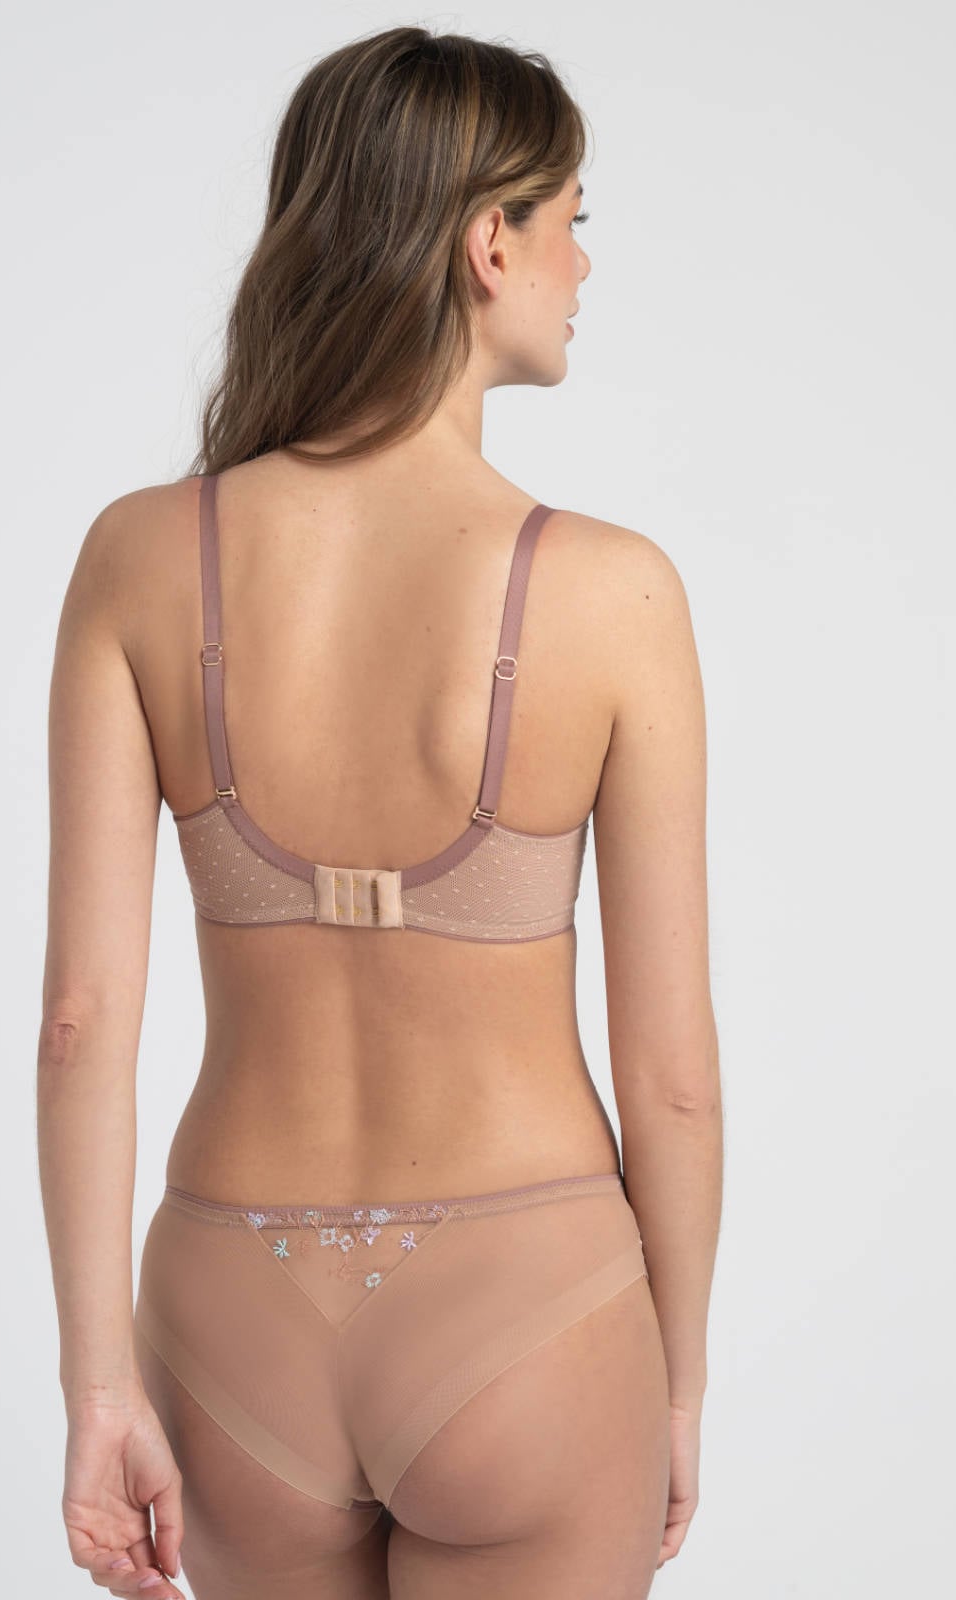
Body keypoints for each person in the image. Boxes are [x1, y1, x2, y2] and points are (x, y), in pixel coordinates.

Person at [38, 24, 723, 1600]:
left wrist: (97, 1391)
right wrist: (677, 1386)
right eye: (572, 222)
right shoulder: (613, 592)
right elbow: (673, 1080)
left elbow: (80, 1023)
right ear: (491, 242)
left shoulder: (139, 560)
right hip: (531, 1310)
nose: (583, 266)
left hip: (231, 1318)